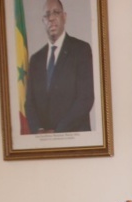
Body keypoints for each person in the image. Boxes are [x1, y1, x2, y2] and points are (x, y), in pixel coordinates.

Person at [25, 0, 94, 134]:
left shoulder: (81, 50)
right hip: (43, 142)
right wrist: (39, 130)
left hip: (74, 138)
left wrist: (57, 132)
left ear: (64, 17)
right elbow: (29, 103)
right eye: (47, 15)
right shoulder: (35, 59)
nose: (51, 18)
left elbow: (85, 99)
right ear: (43, 21)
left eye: (56, 12)